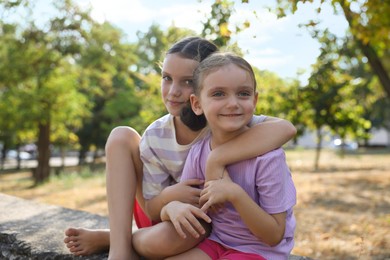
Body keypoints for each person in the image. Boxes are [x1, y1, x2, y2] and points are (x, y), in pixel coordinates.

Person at [64, 37, 296, 259]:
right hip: (165, 216)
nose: (173, 91)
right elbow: (152, 209)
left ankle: (116, 238)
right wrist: (169, 198)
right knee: (120, 135)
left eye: (186, 81)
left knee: (195, 228)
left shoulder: (226, 117)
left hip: (209, 224)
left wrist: (217, 158)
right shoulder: (157, 135)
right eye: (166, 78)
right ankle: (120, 247)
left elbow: (285, 129)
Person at [161, 52, 296, 260]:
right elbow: (192, 207)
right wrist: (171, 207)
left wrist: (235, 194)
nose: (233, 103)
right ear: (197, 104)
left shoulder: (268, 158)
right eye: (218, 94)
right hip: (216, 243)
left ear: (255, 99)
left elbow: (274, 235)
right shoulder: (198, 153)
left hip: (259, 251)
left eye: (243, 93)